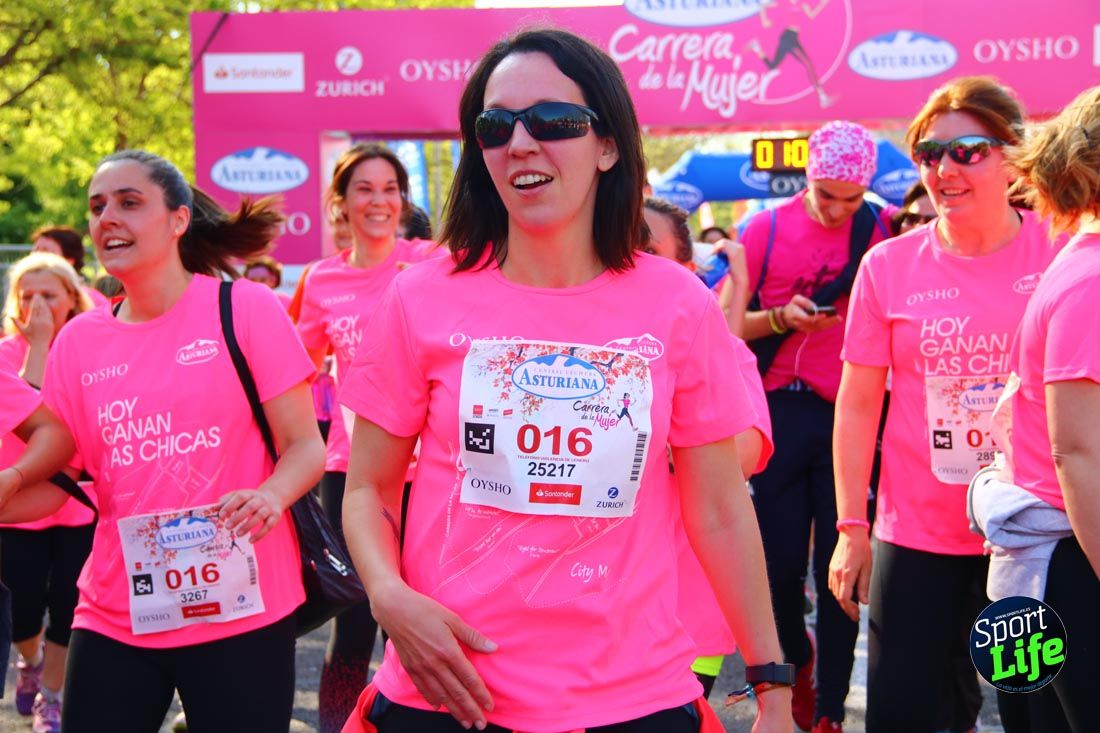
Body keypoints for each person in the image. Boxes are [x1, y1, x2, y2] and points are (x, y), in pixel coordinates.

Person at [339, 27, 792, 733]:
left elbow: (720, 509)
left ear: (607, 145)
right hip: (448, 693)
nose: (520, 142)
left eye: (552, 120)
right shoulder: (419, 297)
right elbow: (369, 486)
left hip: (632, 698)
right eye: (495, 126)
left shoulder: (677, 303)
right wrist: (387, 594)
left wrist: (772, 685)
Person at [40, 150, 324, 732]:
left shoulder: (244, 308)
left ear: (178, 219)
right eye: (97, 207)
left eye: (129, 202)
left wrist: (270, 496)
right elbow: (61, 481)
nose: (106, 218)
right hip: (116, 611)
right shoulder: (78, 342)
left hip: (242, 607)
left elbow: (305, 446)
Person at [829, 77, 1063, 733]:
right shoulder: (887, 266)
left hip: (1032, 536)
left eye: (968, 151)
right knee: (904, 715)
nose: (944, 170)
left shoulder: (1061, 250)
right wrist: (850, 528)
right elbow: (857, 406)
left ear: (1013, 156)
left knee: (1034, 713)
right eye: (930, 154)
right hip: (917, 536)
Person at [740, 120, 891, 733]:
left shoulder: (877, 228)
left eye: (851, 199)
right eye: (826, 195)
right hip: (776, 410)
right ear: (807, 179)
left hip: (846, 414)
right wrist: (781, 317)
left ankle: (830, 706)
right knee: (777, 570)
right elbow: (727, 325)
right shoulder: (765, 228)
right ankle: (796, 659)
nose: (836, 210)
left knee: (841, 567)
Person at [296, 142, 438, 733]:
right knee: (353, 618)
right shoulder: (321, 279)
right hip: (352, 471)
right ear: (341, 201)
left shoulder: (431, 260)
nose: (379, 201)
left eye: (389, 189)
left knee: (418, 616)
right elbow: (296, 373)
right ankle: (338, 727)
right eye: (365, 189)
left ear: (402, 200)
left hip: (432, 471)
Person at [971, 85, 1100, 733]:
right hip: (1066, 560)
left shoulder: (1080, 260)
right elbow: (1076, 453)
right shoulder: (1092, 278)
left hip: (1048, 558)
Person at [642, 196, 776, 699]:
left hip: (686, 619)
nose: (627, 262)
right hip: (585, 618)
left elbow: (742, 455)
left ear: (688, 272)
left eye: (645, 250)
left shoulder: (725, 351)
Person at [0, 252, 95, 732]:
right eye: (27, 295)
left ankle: (51, 695)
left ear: (72, 299)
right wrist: (37, 345)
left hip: (79, 503)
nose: (36, 305)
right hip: (18, 503)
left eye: (49, 295)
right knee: (19, 609)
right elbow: (27, 417)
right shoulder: (5, 353)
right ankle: (31, 659)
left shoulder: (89, 348)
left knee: (67, 605)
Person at [30, 226, 109, 308]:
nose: (37, 257)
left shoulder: (92, 301)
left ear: (69, 260)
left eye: (45, 251)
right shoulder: (25, 296)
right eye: (35, 251)